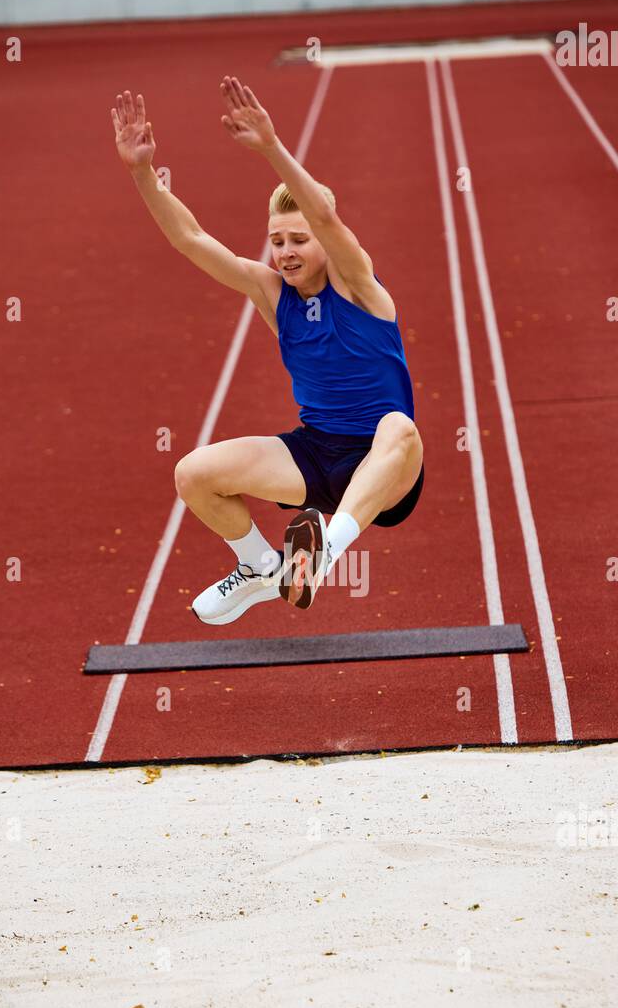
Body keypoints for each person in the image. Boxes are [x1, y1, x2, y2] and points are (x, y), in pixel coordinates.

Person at [110, 77, 424, 625]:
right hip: (315, 457)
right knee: (193, 473)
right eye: (276, 240)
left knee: (400, 426)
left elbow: (325, 217)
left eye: (298, 240)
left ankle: (324, 550)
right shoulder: (269, 292)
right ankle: (263, 568)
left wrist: (271, 149)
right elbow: (191, 239)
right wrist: (142, 172)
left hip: (385, 468)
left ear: (326, 244)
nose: (285, 252)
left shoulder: (359, 286)